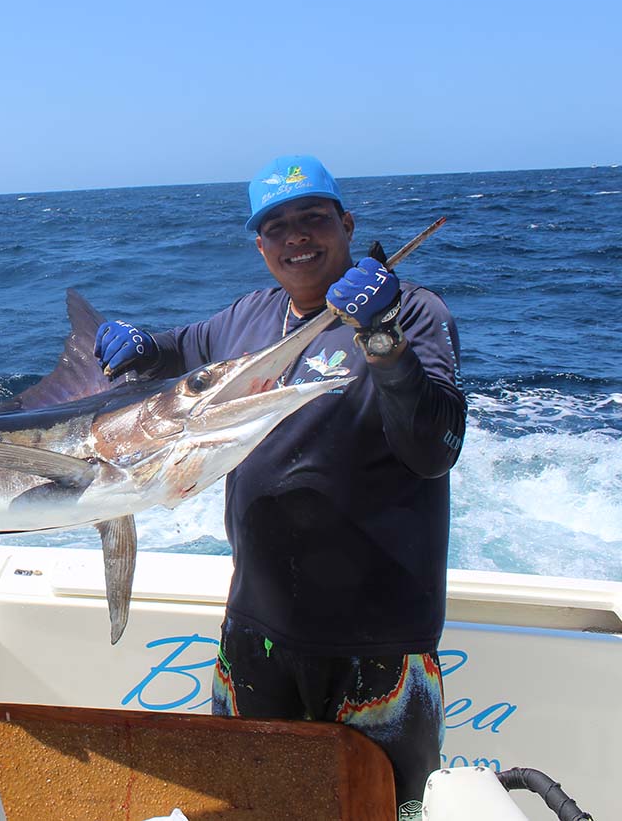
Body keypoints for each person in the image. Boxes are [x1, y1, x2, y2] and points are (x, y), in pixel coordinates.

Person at [95, 155, 466, 820]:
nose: (296, 236)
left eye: (312, 218)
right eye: (276, 226)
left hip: (380, 646)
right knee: (245, 810)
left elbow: (435, 448)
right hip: (257, 632)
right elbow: (183, 350)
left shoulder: (415, 311)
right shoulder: (246, 320)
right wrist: (140, 346)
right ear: (259, 244)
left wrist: (381, 338)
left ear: (346, 224)